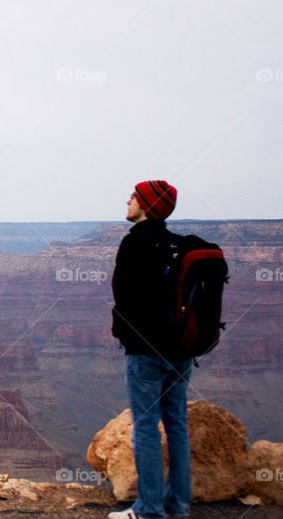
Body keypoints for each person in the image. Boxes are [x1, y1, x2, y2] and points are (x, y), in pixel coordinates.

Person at [108, 180, 191, 519]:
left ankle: (148, 509)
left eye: (134, 197)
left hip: (145, 351)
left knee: (145, 426)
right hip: (182, 350)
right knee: (176, 425)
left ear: (146, 205)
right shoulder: (177, 244)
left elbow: (122, 296)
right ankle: (177, 505)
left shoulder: (135, 243)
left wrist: (125, 335)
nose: (127, 200)